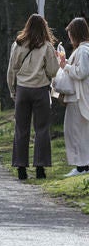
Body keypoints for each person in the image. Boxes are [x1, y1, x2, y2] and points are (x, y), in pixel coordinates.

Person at [7, 14, 59, 180]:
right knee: (42, 129)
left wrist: (12, 90)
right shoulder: (47, 46)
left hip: (22, 89)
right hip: (40, 90)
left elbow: (11, 70)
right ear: (44, 27)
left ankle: (21, 167)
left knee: (21, 129)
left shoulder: (18, 44)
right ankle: (40, 167)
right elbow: (53, 71)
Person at [58, 17, 89, 177]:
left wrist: (65, 66)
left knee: (76, 132)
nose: (69, 36)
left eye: (70, 33)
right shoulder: (83, 49)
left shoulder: (83, 50)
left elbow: (81, 72)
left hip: (78, 97)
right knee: (76, 131)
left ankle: (82, 166)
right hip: (77, 97)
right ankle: (82, 164)